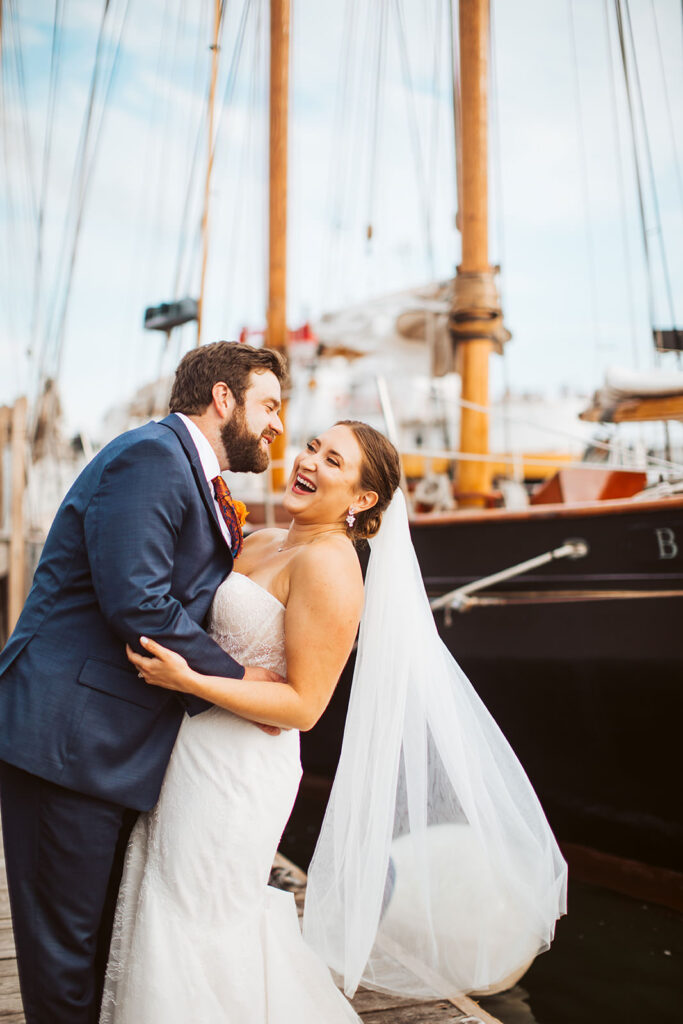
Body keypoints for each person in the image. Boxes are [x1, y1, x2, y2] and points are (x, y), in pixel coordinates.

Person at [118, 420, 568, 1023]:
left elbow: (306, 706)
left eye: (334, 461)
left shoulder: (332, 567)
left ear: (362, 501)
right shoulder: (261, 541)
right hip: (188, 752)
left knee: (199, 914)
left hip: (241, 770)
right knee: (164, 903)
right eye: (312, 448)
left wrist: (192, 682)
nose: (309, 462)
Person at [0, 341, 287, 1024]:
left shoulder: (187, 472)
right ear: (224, 399)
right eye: (269, 404)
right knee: (66, 961)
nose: (277, 424)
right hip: (66, 740)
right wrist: (242, 679)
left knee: (95, 950)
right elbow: (137, 602)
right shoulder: (151, 458)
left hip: (112, 745)